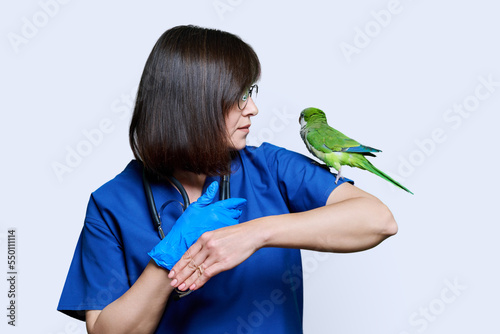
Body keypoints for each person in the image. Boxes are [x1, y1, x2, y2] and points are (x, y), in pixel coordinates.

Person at [57, 25, 398, 333]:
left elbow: (378, 220)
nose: (253, 109)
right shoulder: (112, 203)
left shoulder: (272, 167)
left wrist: (254, 233)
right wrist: (170, 257)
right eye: (239, 96)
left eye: (251, 92)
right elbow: (106, 331)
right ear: (193, 103)